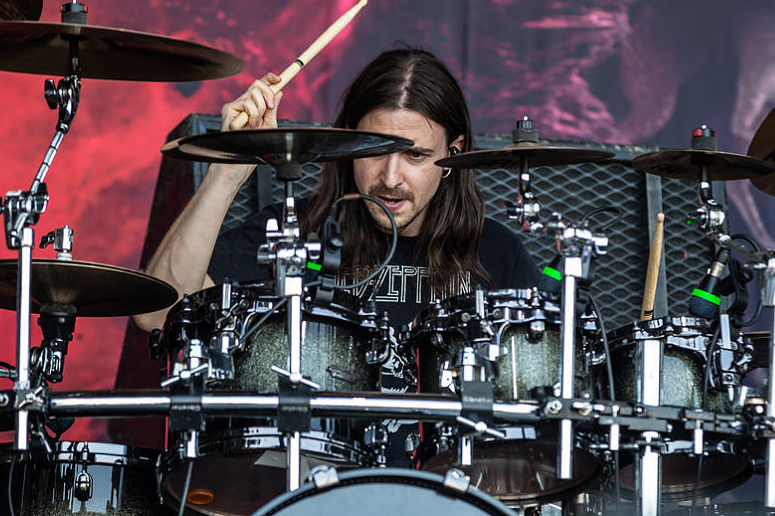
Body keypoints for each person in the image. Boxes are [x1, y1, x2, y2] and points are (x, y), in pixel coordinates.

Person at [133, 47, 539, 465]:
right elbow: (157, 312)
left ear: (452, 153)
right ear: (349, 140)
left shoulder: (495, 253)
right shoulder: (296, 232)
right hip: (313, 483)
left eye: (414, 155)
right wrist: (227, 169)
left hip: (451, 485)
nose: (390, 178)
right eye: (376, 150)